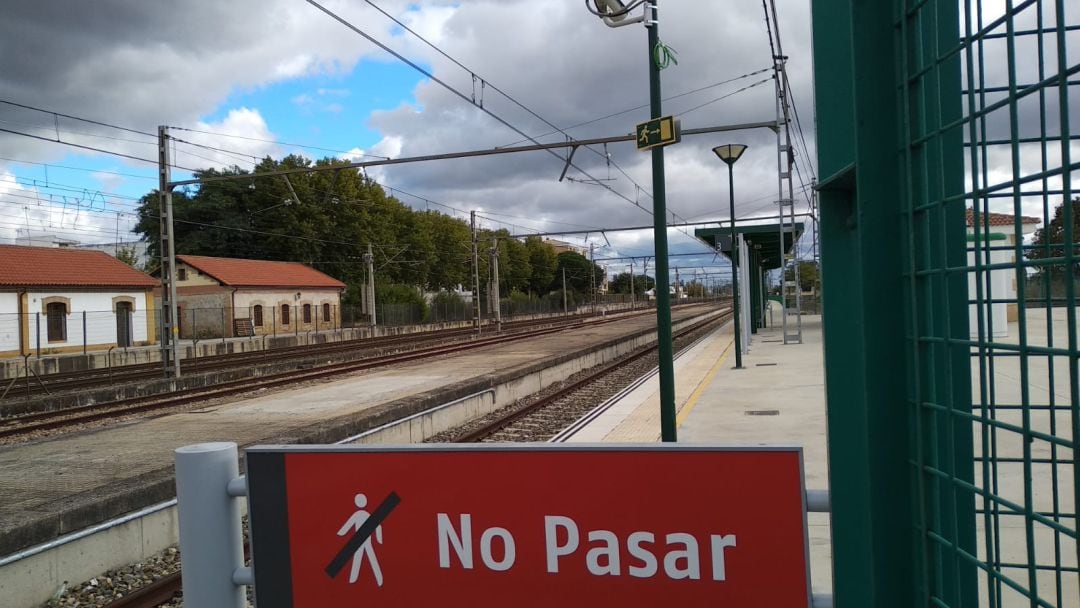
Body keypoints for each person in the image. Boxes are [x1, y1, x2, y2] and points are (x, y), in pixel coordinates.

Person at [337, 492, 384, 586]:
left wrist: (341, 533)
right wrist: (379, 538)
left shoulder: (358, 515)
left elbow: (348, 525)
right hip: (361, 540)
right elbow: (378, 526)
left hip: (361, 540)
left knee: (364, 557)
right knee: (361, 557)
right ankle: (356, 579)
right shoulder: (366, 514)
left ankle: (377, 578)